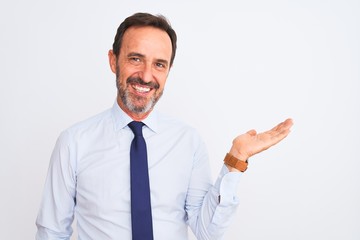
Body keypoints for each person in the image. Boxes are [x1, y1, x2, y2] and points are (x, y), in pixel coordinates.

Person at [35, 12, 293, 240]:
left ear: (168, 70)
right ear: (113, 61)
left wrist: (236, 159)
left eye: (159, 64)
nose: (147, 76)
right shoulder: (74, 142)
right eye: (136, 59)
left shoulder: (188, 141)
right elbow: (52, 233)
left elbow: (207, 231)